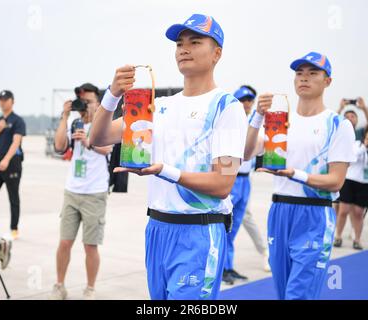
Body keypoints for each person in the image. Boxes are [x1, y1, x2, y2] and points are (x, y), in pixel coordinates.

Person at [90, 14, 247, 300]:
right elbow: (98, 138)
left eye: (195, 41)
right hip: (158, 230)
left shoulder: (226, 107)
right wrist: (112, 95)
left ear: (217, 54)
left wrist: (165, 170)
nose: (184, 49)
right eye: (179, 44)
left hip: (199, 231)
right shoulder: (157, 107)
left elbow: (223, 183)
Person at [244, 52, 355, 300]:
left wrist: (296, 174)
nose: (304, 78)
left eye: (312, 73)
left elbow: (336, 180)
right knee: (283, 292)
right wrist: (257, 116)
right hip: (280, 212)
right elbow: (246, 152)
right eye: (299, 73)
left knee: (299, 295)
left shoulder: (337, 125)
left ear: (327, 81)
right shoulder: (280, 122)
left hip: (314, 214)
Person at [49, 83, 113, 300]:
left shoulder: (104, 124)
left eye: (88, 101)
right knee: (65, 241)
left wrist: (88, 142)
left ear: (98, 102)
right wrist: (64, 117)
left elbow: (108, 148)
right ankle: (59, 286)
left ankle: (90, 289)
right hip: (72, 190)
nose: (84, 106)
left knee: (90, 245)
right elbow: (59, 146)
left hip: (95, 193)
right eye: (81, 102)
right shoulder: (74, 122)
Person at [223, 85, 269, 285]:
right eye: (243, 100)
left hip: (245, 181)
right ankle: (222, 268)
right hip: (231, 178)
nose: (247, 104)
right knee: (224, 226)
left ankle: (228, 267)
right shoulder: (230, 123)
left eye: (250, 100)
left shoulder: (254, 123)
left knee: (234, 228)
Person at [335, 124, 368, 249]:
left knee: (359, 213)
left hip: (366, 184)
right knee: (343, 211)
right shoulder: (356, 144)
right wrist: (365, 146)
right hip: (350, 181)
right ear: (366, 134)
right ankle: (338, 236)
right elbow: (351, 159)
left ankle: (357, 239)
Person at [0, 90, 26, 240]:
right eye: (1, 99)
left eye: (5, 99)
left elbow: (16, 142)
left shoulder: (17, 121)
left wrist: (7, 160)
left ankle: (14, 230)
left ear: (12, 101)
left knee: (13, 197)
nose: (2, 102)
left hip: (12, 162)